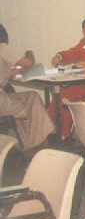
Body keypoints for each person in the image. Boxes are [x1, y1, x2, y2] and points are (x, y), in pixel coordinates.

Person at [0, 24, 56, 156]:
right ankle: (47, 137)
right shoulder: (2, 48)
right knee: (32, 98)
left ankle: (32, 143)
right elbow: (28, 63)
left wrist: (8, 72)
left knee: (24, 101)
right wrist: (29, 53)